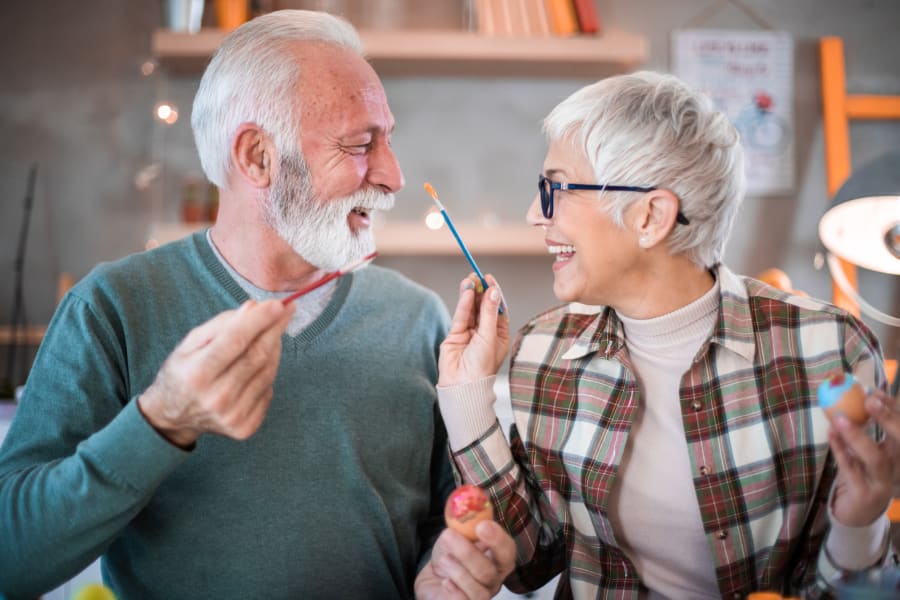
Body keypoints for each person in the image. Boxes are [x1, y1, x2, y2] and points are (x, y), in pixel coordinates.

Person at [0, 10, 513, 599]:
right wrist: (162, 420)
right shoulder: (111, 309)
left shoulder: (418, 319)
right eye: (360, 144)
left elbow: (442, 525)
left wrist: (441, 571)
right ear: (257, 157)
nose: (394, 176)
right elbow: (10, 558)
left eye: (388, 140)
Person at [435, 71, 899, 598]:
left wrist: (861, 521)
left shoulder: (829, 351)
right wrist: (467, 393)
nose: (533, 215)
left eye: (556, 189)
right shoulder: (543, 352)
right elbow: (526, 564)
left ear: (651, 216)